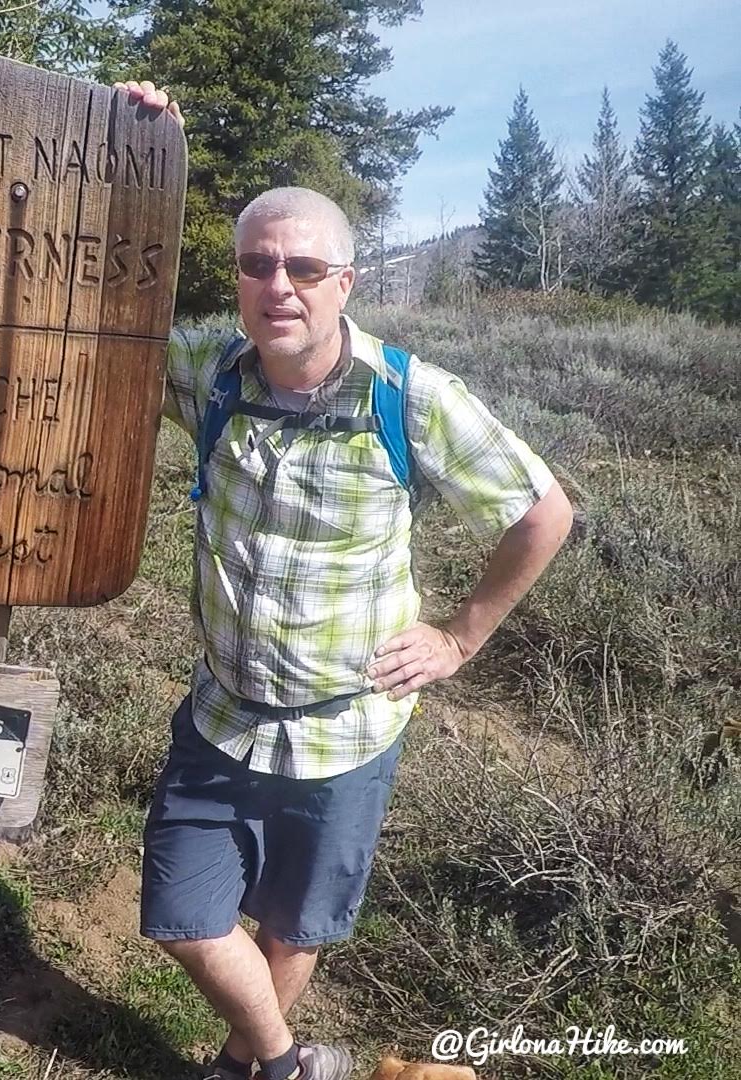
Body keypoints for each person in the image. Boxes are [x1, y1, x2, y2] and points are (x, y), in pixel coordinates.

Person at [121, 80, 573, 1080]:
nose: (277, 284)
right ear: (236, 278)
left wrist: (460, 636)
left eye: (303, 266)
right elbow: (108, 308)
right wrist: (137, 150)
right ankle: (285, 1061)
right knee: (178, 915)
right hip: (222, 717)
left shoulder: (408, 397)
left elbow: (542, 511)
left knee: (291, 928)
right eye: (255, 264)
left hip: (345, 728)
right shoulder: (205, 371)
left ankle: (244, 1067)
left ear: (343, 281)